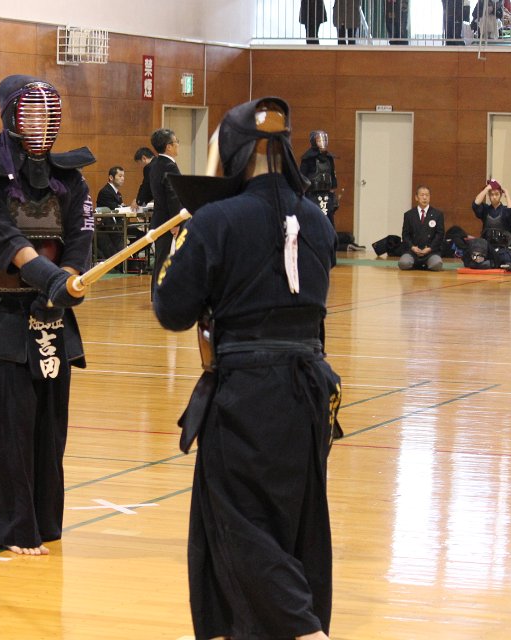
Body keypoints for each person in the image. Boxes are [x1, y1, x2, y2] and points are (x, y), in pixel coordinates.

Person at [153, 97, 340, 640]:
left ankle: (304, 631)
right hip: (309, 391)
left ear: (230, 153)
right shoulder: (316, 220)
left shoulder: (216, 220)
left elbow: (172, 309)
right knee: (294, 521)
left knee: (240, 523)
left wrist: (199, 208)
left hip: (248, 394)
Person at [0, 75, 95, 556]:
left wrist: (67, 280)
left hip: (51, 313)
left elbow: (80, 237)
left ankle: (42, 521)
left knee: (49, 427)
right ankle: (7, 526)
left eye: (47, 112)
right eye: (30, 111)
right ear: (10, 115)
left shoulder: (71, 179)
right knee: (4, 425)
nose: (40, 121)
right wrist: (48, 277)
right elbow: (5, 240)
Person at [148, 128, 182, 299]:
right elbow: (173, 196)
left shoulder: (155, 164)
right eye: (176, 142)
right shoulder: (169, 166)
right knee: (166, 259)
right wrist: (175, 222)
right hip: (168, 221)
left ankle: (157, 294)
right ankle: (161, 296)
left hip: (159, 219)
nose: (178, 145)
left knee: (161, 259)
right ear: (168, 146)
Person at [472, 179, 511, 266]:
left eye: (497, 194)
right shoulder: (485, 209)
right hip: (487, 247)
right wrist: (486, 189)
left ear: (500, 195)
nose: (494, 197)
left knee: (505, 262)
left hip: (502, 249)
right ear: (489, 196)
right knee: (477, 262)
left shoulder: (505, 210)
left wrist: (507, 194)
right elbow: (475, 204)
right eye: (492, 194)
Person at [398, 185, 445, 271]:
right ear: (416, 197)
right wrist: (412, 247)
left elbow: (440, 235)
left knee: (437, 265)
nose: (425, 198)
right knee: (403, 263)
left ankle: (425, 263)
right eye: (422, 195)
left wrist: (429, 248)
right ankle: (416, 263)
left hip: (431, 252)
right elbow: (405, 235)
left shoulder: (437, 214)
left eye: (427, 195)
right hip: (412, 252)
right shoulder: (409, 215)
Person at [299, 130, 339, 228]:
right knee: (314, 223)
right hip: (312, 196)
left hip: (327, 196)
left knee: (329, 224)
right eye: (319, 140)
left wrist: (333, 197)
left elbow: (332, 177)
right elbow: (302, 179)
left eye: (324, 140)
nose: (322, 143)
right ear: (314, 142)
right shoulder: (308, 158)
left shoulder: (329, 158)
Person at [95, 166, 126, 260]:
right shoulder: (105, 192)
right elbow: (116, 208)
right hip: (108, 227)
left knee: (142, 235)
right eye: (120, 176)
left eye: (123, 176)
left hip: (118, 225)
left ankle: (132, 259)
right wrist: (123, 207)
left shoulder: (118, 194)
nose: (123, 178)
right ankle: (127, 261)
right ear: (111, 177)